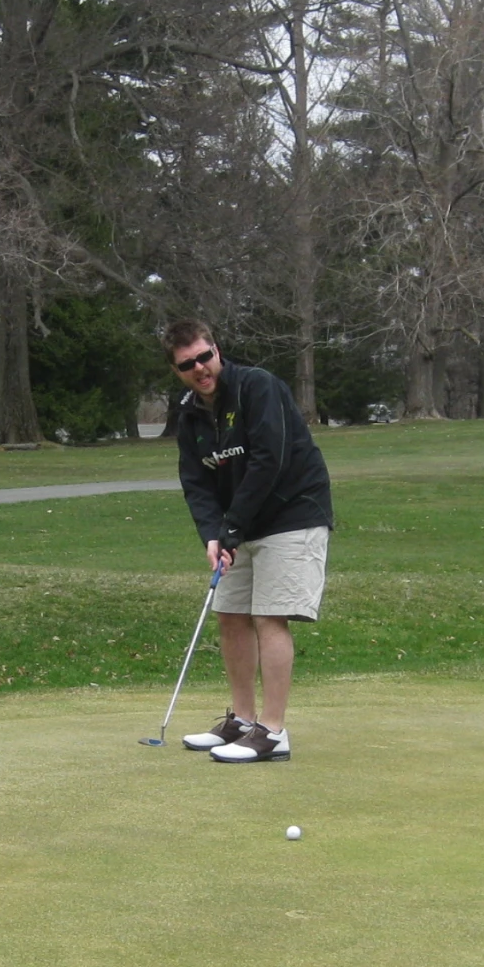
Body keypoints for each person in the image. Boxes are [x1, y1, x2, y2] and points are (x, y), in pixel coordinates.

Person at [166, 320, 334, 764]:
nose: (200, 369)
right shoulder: (189, 412)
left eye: (205, 357)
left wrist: (231, 528)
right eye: (188, 365)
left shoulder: (258, 387)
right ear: (177, 369)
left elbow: (268, 460)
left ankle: (273, 732)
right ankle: (242, 720)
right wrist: (212, 534)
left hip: (292, 513)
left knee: (270, 617)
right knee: (231, 614)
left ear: (217, 350)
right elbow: (196, 481)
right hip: (240, 525)